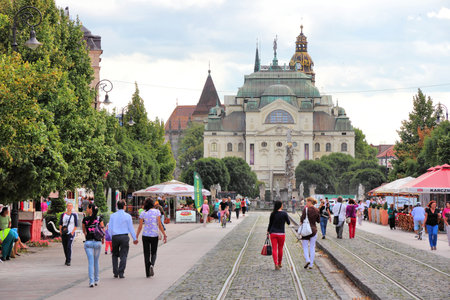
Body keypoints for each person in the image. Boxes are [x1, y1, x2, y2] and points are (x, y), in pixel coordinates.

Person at [136, 198, 167, 277]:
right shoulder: (157, 212)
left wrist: (136, 236)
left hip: (145, 235)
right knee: (154, 252)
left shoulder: (143, 213)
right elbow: (159, 225)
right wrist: (164, 234)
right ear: (153, 204)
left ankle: (147, 273)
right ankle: (152, 265)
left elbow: (140, 226)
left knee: (146, 254)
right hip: (154, 235)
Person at [109, 200, 138, 278]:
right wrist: (134, 238)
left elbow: (110, 228)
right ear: (124, 206)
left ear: (117, 206)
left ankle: (115, 272)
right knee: (123, 255)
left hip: (115, 236)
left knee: (114, 255)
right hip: (124, 237)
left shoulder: (113, 216)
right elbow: (131, 228)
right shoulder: (128, 216)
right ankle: (121, 272)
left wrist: (111, 237)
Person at [82, 204, 104, 287]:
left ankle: (91, 282)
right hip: (97, 242)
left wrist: (88, 236)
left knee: (90, 263)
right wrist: (102, 239)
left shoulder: (85, 219)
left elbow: (84, 231)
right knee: (96, 262)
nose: (86, 209)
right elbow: (103, 230)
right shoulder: (99, 219)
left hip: (88, 243)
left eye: (87, 208)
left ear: (91, 209)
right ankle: (96, 280)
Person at [267, 200, 290, 270]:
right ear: (280, 205)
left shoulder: (273, 213)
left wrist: (268, 231)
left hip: (273, 233)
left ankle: (276, 264)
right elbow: (288, 222)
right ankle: (279, 263)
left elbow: (270, 224)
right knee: (280, 248)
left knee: (274, 249)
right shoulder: (284, 213)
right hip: (281, 234)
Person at [300, 197, 320, 269]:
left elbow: (302, 220)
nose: (306, 203)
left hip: (306, 231)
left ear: (310, 202)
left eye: (306, 202)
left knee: (305, 246)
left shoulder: (305, 209)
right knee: (312, 247)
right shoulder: (317, 210)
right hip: (313, 230)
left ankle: (307, 259)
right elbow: (318, 221)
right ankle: (311, 264)